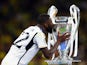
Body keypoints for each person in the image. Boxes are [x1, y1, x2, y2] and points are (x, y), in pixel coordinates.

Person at [1, 14, 70, 65]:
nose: (53, 25)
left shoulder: (30, 29)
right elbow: (48, 55)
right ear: (46, 24)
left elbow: (28, 46)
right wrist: (59, 41)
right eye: (51, 23)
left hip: (6, 61)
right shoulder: (39, 34)